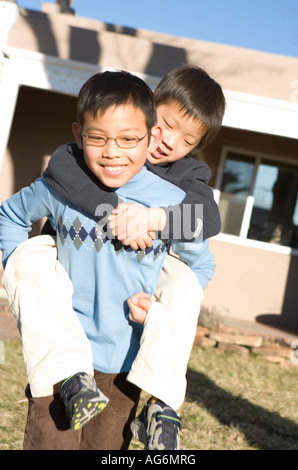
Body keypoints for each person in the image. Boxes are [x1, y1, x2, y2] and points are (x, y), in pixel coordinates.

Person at [0, 70, 216, 450]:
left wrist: (154, 223)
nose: (170, 144)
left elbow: (203, 240)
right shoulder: (69, 174)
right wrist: (24, 284)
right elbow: (18, 209)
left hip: (125, 358)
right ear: (151, 113)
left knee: (181, 283)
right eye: (167, 125)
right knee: (30, 253)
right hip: (63, 354)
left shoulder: (178, 191)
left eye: (188, 140)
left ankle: (162, 405)